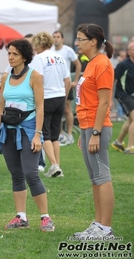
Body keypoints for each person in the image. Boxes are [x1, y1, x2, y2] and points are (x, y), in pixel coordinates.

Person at [0, 38, 55, 232]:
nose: (10, 57)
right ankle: (21, 217)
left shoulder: (34, 76)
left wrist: (37, 135)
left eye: (14, 54)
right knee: (16, 174)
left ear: (24, 57)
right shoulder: (5, 77)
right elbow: (1, 107)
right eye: (9, 53)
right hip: (8, 131)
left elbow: (41, 107)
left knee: (31, 174)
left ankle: (45, 217)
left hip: (28, 130)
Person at [73, 23, 116, 239]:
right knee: (95, 179)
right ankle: (98, 224)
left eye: (81, 39)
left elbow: (104, 102)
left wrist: (96, 133)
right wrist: (86, 132)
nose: (77, 43)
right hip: (87, 125)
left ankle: (106, 229)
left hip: (97, 126)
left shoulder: (103, 64)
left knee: (102, 176)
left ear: (93, 41)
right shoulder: (91, 63)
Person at [31, 32, 71, 178]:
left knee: (44, 134)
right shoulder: (60, 57)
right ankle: (57, 165)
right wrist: (64, 97)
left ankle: (54, 165)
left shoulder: (39, 58)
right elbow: (68, 81)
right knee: (55, 135)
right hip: (60, 97)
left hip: (46, 97)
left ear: (39, 44)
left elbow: (38, 79)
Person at [52, 31, 82, 146]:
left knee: (67, 109)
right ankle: (59, 134)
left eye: (58, 37)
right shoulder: (50, 51)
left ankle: (69, 134)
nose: (56, 39)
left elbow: (78, 64)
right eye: (54, 37)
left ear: (62, 39)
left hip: (66, 83)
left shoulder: (68, 50)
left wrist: (75, 81)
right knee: (57, 110)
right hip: (55, 84)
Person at [111, 42, 134, 154]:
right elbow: (112, 80)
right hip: (123, 95)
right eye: (133, 49)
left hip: (131, 95)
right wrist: (109, 99)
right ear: (129, 52)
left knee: (131, 120)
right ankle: (130, 147)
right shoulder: (123, 65)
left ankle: (118, 142)